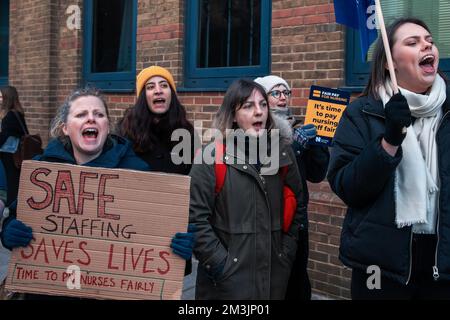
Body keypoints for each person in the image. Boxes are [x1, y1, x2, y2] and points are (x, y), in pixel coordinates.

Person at [0, 87, 194, 298]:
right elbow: (16, 216)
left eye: (99, 114)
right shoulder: (43, 172)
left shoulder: (138, 174)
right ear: (65, 127)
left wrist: (178, 252)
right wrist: (9, 233)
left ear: (107, 126)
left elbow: (159, 256)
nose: (91, 119)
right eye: (81, 114)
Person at [327, 17, 450, 299]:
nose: (426, 45)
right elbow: (348, 187)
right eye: (413, 42)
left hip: (442, 263)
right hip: (380, 267)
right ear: (389, 63)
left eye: (429, 41)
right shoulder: (362, 114)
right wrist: (389, 141)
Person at [189, 78, 306, 299]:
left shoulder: (283, 153)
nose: (259, 112)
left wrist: (285, 252)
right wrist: (222, 265)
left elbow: (298, 205)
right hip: (226, 287)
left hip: (274, 282)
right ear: (233, 115)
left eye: (263, 104)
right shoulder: (210, 158)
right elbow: (194, 220)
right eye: (248, 106)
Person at [254, 75, 330, 300]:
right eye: (275, 93)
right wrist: (296, 147)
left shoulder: (297, 126)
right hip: (271, 222)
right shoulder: (259, 130)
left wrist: (319, 145)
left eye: (286, 92)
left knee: (297, 281)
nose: (282, 98)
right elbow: (268, 172)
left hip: (298, 221)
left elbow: (316, 175)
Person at [119, 65, 197, 175]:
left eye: (164, 85)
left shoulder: (187, 132)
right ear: (143, 96)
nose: (158, 91)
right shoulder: (126, 131)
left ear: (171, 94)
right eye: (150, 87)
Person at [0, 86, 29, 205]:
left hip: (10, 152)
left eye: (1, 97)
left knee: (11, 179)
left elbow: (5, 135)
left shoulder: (11, 115)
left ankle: (12, 205)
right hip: (12, 150)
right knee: (13, 179)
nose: (0, 99)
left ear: (8, 98)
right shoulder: (16, 113)